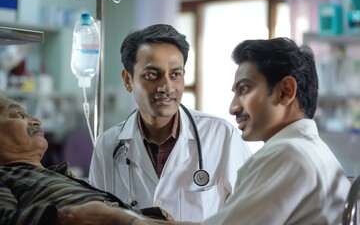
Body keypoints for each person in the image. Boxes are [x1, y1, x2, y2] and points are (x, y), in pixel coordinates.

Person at [61, 37, 351, 225]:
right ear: (128, 80)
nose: (233, 107)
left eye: (244, 90)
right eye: (152, 75)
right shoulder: (305, 150)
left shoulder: (288, 156)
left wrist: (122, 220)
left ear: (286, 91)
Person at [88, 24, 253, 222]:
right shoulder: (108, 145)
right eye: (152, 74)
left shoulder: (221, 135)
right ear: (128, 80)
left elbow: (251, 214)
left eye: (175, 74)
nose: (167, 87)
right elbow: (98, 218)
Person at [0, 95, 173, 225]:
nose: (36, 120)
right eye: (18, 115)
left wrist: (150, 216)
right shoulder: (6, 177)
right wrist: (68, 216)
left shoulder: (57, 176)